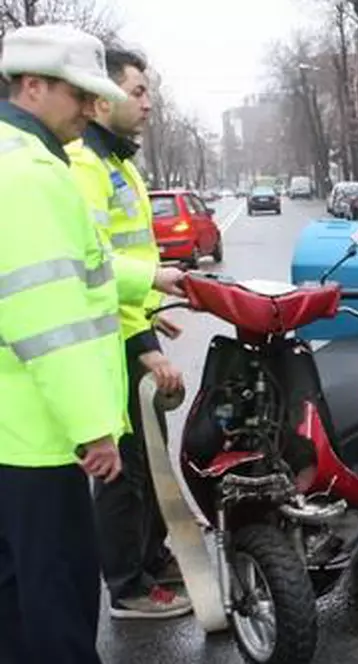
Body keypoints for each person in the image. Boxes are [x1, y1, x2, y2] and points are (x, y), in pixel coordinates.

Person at [0, 24, 184, 663]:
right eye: (78, 93)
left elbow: (89, 268)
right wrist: (93, 429)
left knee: (18, 600)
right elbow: (47, 318)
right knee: (57, 605)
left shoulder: (17, 159)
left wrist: (152, 281)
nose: (89, 107)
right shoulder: (32, 175)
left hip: (13, 434)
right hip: (36, 438)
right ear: (32, 86)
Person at [67, 47, 192, 620]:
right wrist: (141, 344)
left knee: (147, 458)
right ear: (101, 98)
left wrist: (148, 310)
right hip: (110, 341)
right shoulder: (85, 167)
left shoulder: (119, 163)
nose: (148, 102)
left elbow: (127, 259)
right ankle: (127, 587)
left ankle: (151, 557)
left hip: (131, 324)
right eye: (136, 91)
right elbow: (89, 267)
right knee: (123, 469)